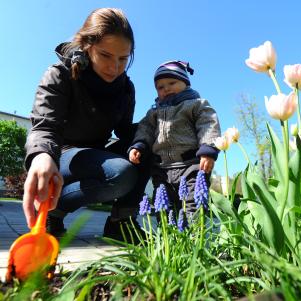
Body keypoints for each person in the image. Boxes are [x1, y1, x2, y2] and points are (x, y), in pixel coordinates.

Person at [23, 8, 149, 242]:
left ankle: (121, 222)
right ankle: (54, 210)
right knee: (120, 173)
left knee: (147, 143)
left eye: (123, 58)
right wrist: (41, 155)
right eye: (105, 55)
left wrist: (157, 125)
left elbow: (124, 131)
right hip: (61, 157)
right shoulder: (59, 74)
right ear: (87, 46)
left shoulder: (126, 88)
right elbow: (44, 126)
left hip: (95, 156)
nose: (115, 67)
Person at [128, 60, 221, 215]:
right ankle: (168, 237)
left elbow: (208, 123)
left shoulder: (196, 104)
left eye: (172, 82)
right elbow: (145, 129)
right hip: (162, 168)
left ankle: (195, 235)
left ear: (186, 83)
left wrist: (208, 149)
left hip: (190, 164)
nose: (166, 89)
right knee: (164, 205)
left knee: (193, 202)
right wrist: (139, 145)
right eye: (160, 87)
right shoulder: (153, 112)